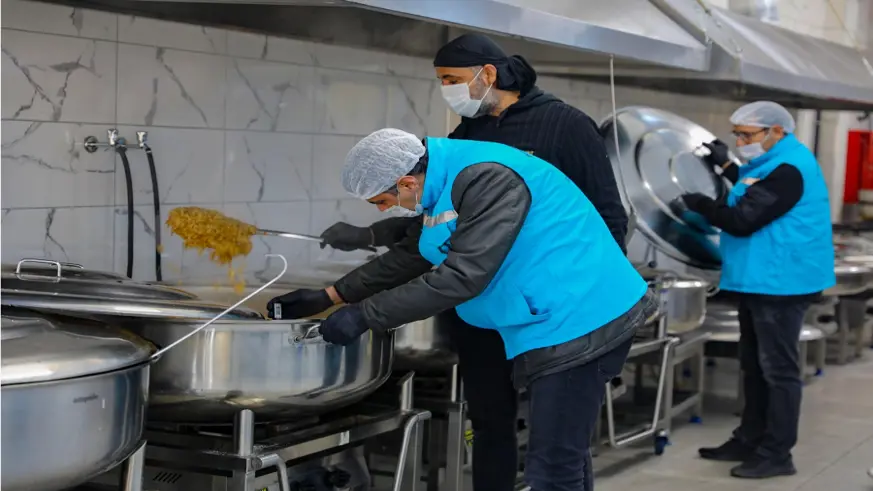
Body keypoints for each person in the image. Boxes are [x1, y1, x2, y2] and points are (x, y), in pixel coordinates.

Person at [315, 33, 627, 491]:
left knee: (556, 450)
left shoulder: (564, 126)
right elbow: (432, 231)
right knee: (490, 423)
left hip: (559, 310)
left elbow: (606, 215)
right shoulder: (466, 136)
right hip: (491, 307)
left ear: (488, 74)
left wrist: (588, 297)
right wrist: (344, 278)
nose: (447, 90)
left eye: (451, 79)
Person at [269, 129, 655, 491]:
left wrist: (365, 315)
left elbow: (461, 277)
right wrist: (331, 296)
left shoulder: (488, 178)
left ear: (406, 182)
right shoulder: (442, 181)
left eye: (382, 202)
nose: (385, 210)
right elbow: (414, 255)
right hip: (554, 319)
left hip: (581, 318)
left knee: (553, 464)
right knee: (563, 456)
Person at [678, 101, 835, 479]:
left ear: (777, 131)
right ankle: (749, 438)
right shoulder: (773, 163)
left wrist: (700, 204)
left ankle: (778, 453)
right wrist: (726, 165)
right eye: (737, 135)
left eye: (747, 135)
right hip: (760, 279)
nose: (741, 141)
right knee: (754, 366)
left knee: (777, 370)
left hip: (781, 283)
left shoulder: (790, 169)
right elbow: (752, 186)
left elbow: (743, 218)